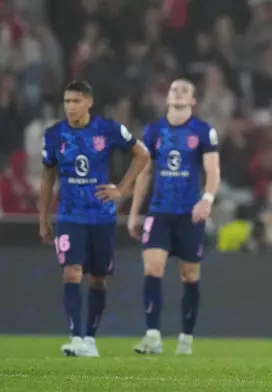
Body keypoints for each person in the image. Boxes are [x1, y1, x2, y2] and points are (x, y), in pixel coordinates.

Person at [39, 80, 150, 357]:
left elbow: (143, 154)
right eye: (67, 102)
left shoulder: (107, 129)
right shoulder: (54, 134)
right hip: (69, 215)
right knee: (71, 272)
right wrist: (43, 218)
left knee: (99, 279)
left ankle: (89, 338)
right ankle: (75, 337)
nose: (71, 107)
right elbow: (47, 176)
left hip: (101, 216)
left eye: (76, 101)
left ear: (89, 102)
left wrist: (121, 190)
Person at [128, 79, 221, 355]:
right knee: (152, 268)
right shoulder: (154, 131)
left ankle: (186, 338)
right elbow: (145, 172)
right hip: (159, 211)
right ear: (166, 98)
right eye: (173, 89)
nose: (178, 92)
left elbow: (213, 171)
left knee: (189, 275)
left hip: (190, 213)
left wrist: (207, 199)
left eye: (185, 90)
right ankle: (153, 335)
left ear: (193, 101)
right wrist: (134, 211)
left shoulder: (203, 131)